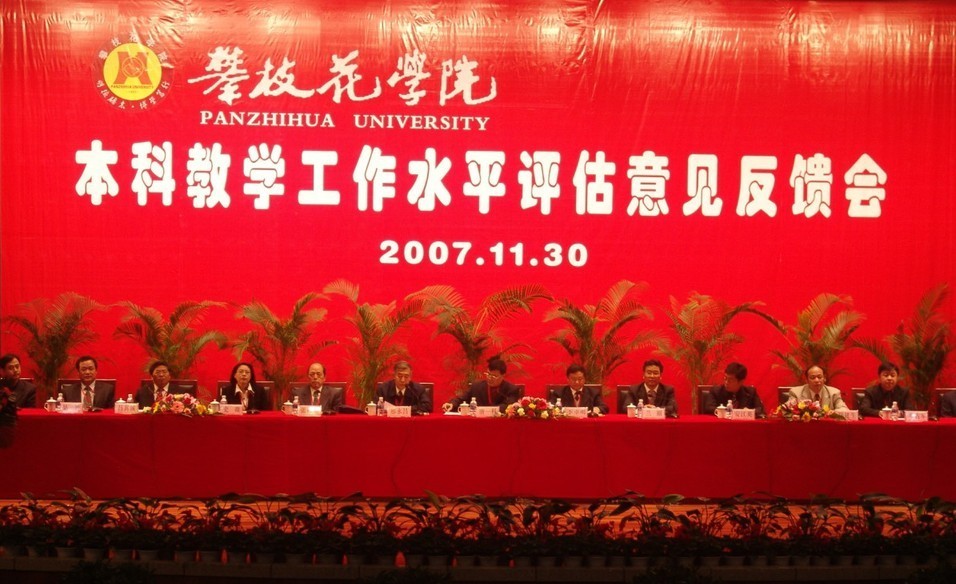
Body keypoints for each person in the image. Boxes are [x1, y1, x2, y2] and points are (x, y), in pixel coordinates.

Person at [442, 357, 521, 413]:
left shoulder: (511, 389)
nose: (490, 378)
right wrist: (452, 404)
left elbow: (508, 406)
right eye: (488, 374)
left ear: (503, 375)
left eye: (494, 376)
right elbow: (462, 399)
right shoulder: (476, 386)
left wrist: (486, 410)